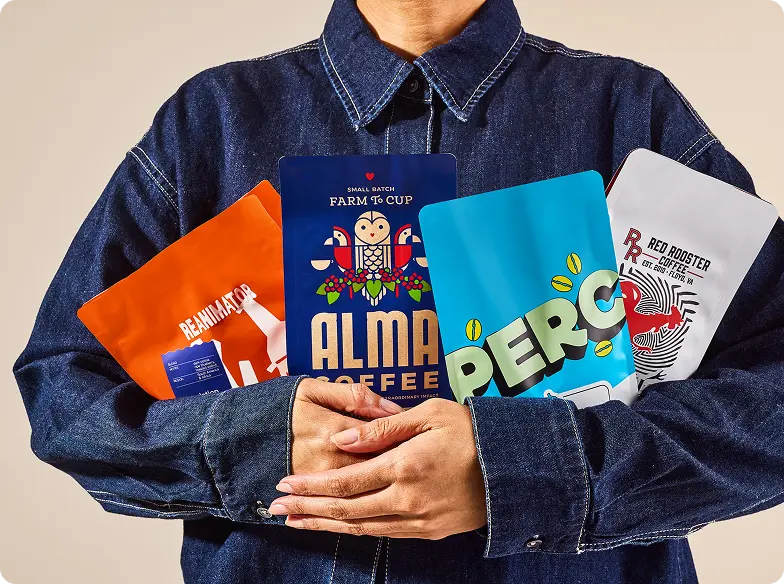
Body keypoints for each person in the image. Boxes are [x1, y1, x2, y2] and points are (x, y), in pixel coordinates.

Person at [14, 0, 784, 582]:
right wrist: (259, 440)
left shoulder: (632, 111)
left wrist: (520, 469)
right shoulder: (210, 123)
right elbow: (65, 396)